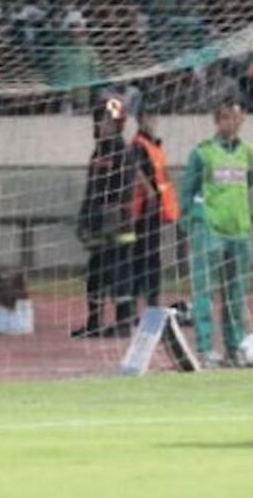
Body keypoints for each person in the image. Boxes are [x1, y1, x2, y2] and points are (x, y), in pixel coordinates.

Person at [179, 101, 253, 367]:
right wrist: (191, 220)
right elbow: (186, 191)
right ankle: (205, 347)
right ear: (217, 121)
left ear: (241, 120)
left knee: (236, 293)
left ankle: (236, 347)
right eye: (225, 118)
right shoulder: (203, 153)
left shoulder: (247, 153)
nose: (231, 123)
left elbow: (250, 183)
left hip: (239, 230)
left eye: (236, 118)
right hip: (209, 229)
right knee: (205, 291)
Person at [71, 91, 136, 338]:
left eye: (104, 119)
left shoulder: (122, 153)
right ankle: (94, 322)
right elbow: (91, 189)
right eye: (98, 119)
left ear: (117, 123)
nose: (99, 124)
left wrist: (115, 214)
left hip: (118, 227)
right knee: (95, 275)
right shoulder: (98, 153)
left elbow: (126, 189)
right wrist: (84, 218)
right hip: (98, 224)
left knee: (120, 274)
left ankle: (122, 323)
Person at [128, 101, 179, 314]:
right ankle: (141, 303)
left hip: (154, 210)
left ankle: (149, 301)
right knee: (144, 258)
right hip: (143, 212)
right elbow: (135, 168)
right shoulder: (139, 145)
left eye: (154, 116)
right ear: (140, 118)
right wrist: (148, 190)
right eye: (148, 116)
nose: (152, 120)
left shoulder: (154, 145)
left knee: (150, 257)